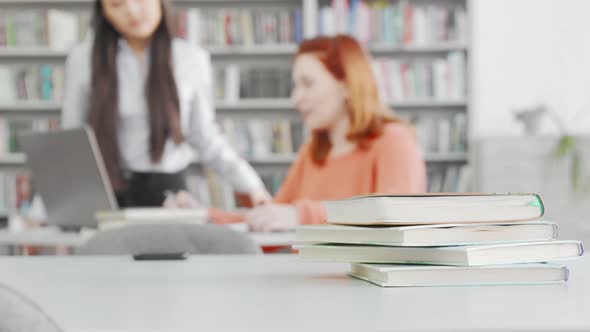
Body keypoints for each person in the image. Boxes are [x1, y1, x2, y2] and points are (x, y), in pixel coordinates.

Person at [61, 0, 270, 207]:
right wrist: (44, 212)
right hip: (109, 198)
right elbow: (70, 144)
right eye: (116, 4)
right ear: (103, 12)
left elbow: (206, 137)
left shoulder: (191, 58)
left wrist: (251, 186)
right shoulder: (83, 60)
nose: (132, 11)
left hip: (172, 199)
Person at [243, 35, 427, 232]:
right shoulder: (312, 152)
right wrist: (210, 218)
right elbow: (272, 218)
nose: (295, 98)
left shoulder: (394, 140)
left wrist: (301, 215)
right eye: (296, 86)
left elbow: (395, 217)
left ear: (347, 85)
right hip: (301, 264)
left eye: (308, 83)